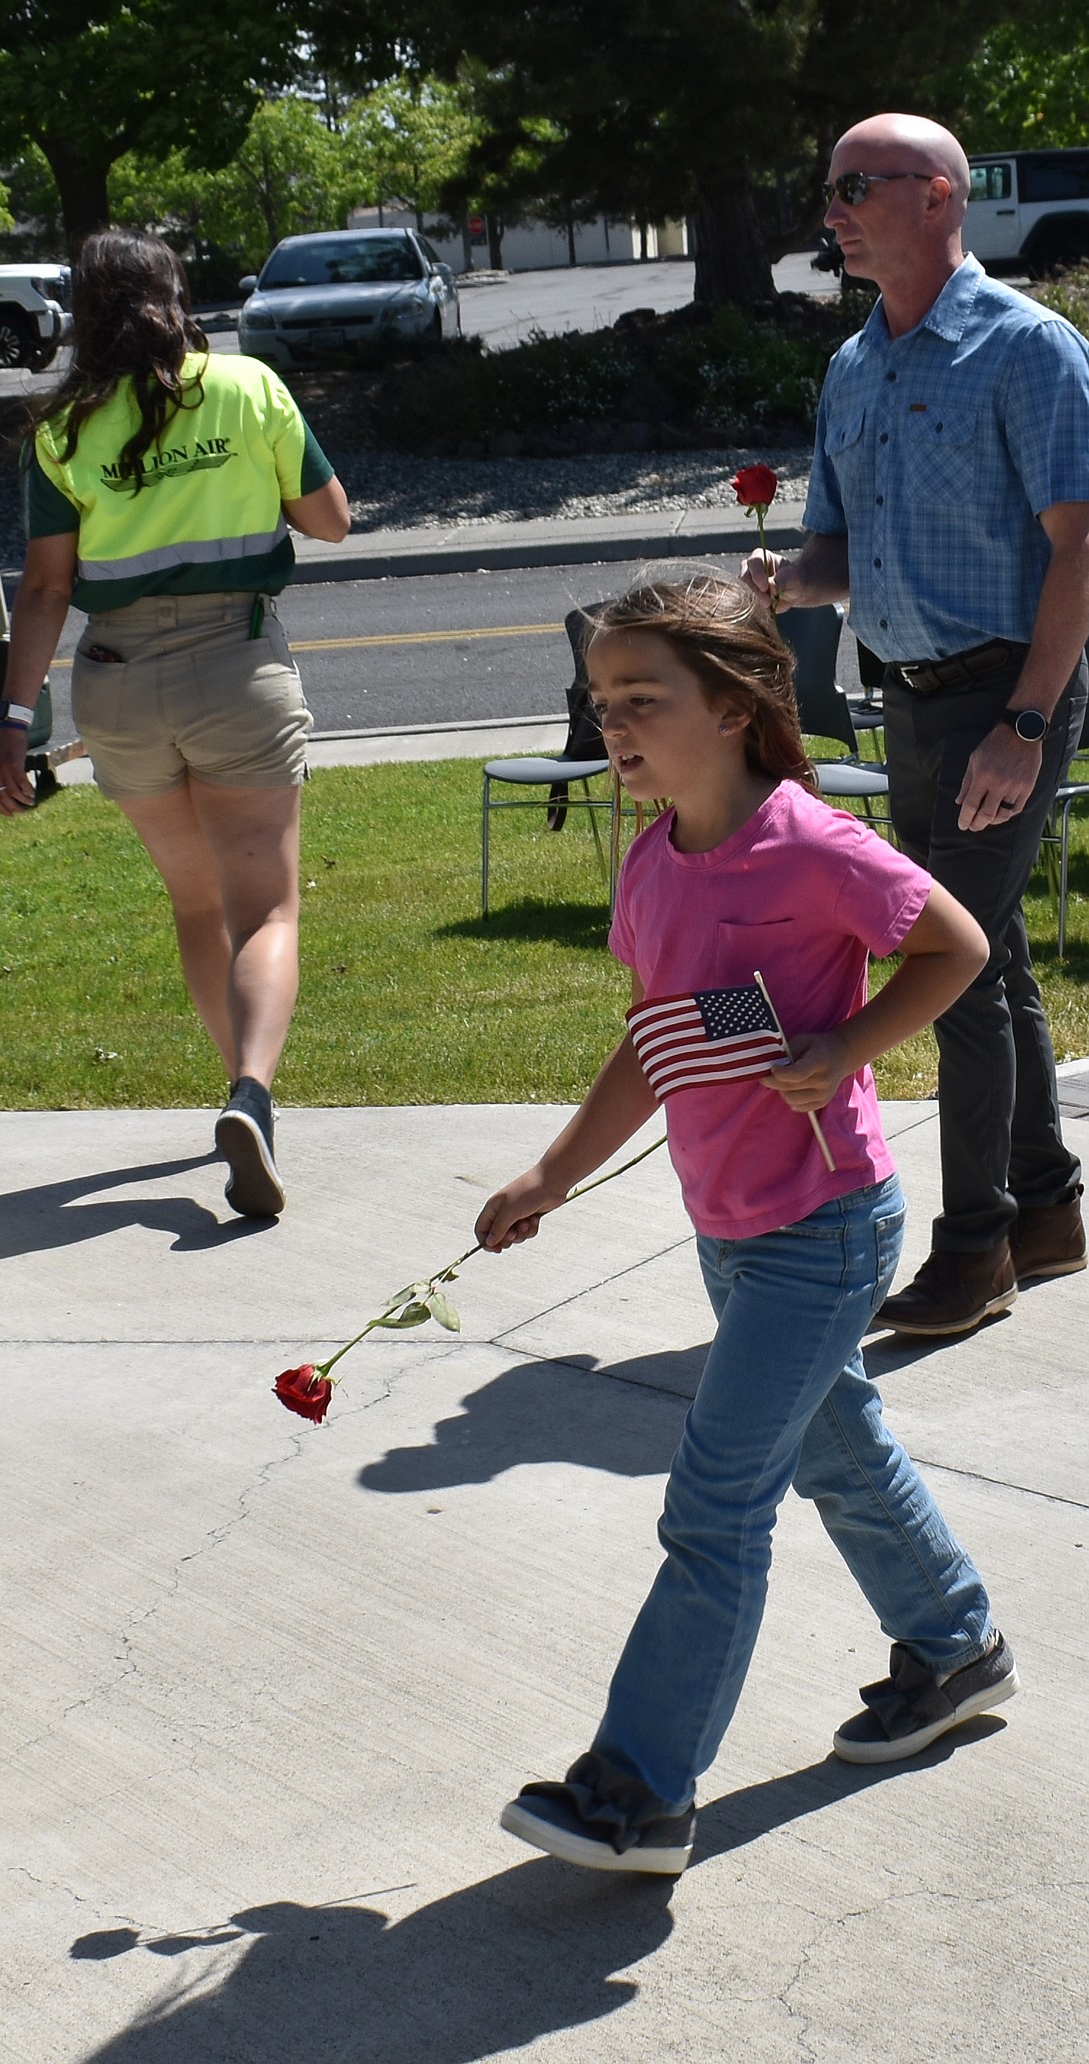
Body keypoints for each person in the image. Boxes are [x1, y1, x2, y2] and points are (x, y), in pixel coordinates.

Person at [475, 576, 1016, 1876]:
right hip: (730, 1227)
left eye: (642, 699)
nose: (613, 723)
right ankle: (955, 1649)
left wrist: (841, 1045)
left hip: (824, 1228)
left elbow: (953, 950)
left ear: (734, 705)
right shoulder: (654, 862)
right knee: (836, 1451)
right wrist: (552, 1173)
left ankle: (637, 1789)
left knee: (715, 1502)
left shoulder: (807, 843)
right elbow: (650, 1045)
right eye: (602, 701)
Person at [744, 112, 1089, 1335]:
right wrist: (789, 579)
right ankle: (1046, 1210)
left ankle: (976, 1245)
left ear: (938, 198)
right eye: (827, 187)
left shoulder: (1027, 348)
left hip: (1008, 693)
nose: (830, 209)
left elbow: (1078, 546)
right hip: (910, 698)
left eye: (855, 187)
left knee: (951, 963)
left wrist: (1031, 722)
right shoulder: (855, 366)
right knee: (987, 951)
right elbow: (846, 551)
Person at [0, 229, 350, 1219]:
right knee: (268, 909)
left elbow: (48, 587)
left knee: (199, 907)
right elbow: (331, 519)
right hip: (236, 667)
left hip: (116, 681)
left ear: (83, 313)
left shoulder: (62, 430)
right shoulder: (247, 387)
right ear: (176, 294)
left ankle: (240, 1092)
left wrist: (16, 721)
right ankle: (253, 1097)